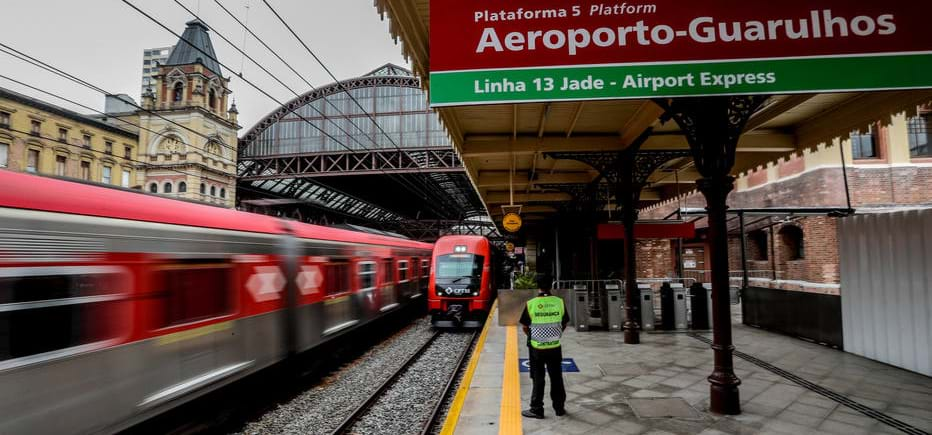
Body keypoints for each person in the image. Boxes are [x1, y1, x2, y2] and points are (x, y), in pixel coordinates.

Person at [519, 288, 570, 419]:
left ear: (539, 288)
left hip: (537, 349)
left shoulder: (531, 303)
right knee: (556, 377)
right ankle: (559, 408)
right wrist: (554, 335)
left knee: (538, 378)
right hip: (555, 347)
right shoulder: (559, 302)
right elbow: (564, 323)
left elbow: (525, 326)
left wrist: (536, 337)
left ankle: (537, 409)